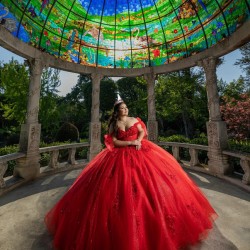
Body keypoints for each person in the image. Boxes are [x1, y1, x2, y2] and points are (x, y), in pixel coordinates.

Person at [45, 100, 217, 250]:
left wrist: (139, 140)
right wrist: (130, 142)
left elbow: (142, 131)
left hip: (142, 152)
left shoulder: (134, 120)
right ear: (117, 111)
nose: (125, 110)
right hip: (120, 155)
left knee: (153, 186)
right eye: (122, 108)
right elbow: (114, 142)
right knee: (114, 192)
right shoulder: (114, 124)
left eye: (126, 107)